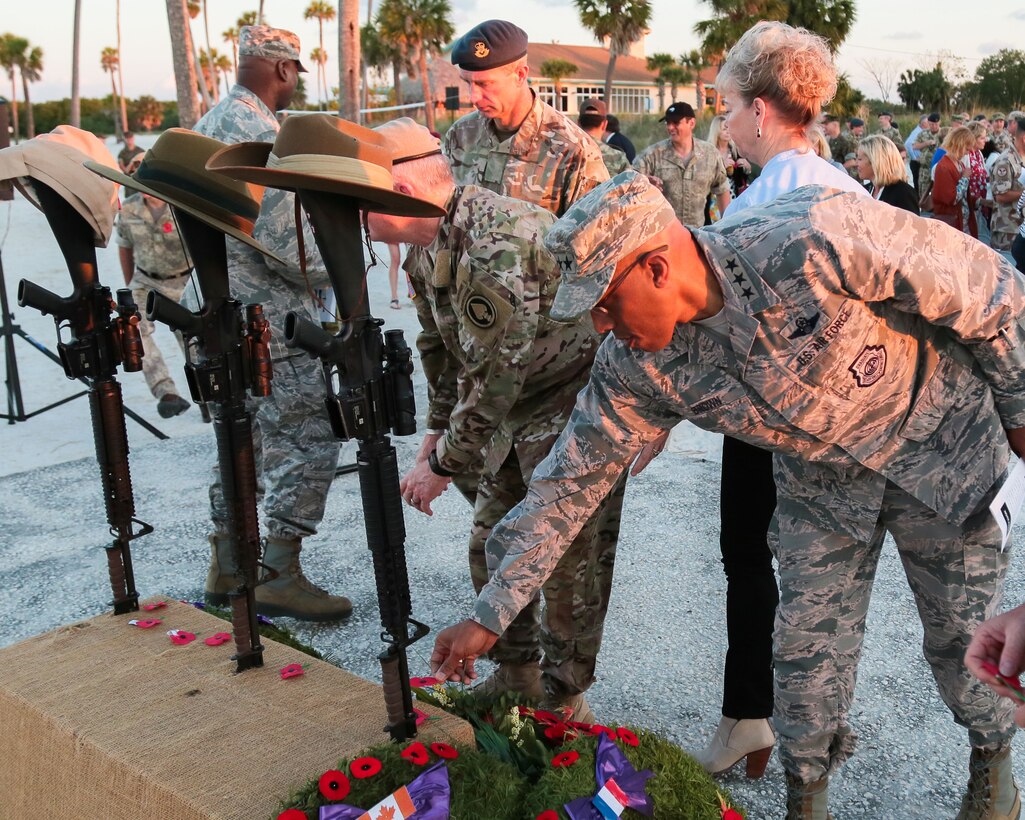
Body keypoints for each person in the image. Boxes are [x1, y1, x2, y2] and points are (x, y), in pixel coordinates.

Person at [429, 171, 1023, 820]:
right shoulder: (636, 365)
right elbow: (567, 484)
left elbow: (994, 293)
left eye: (604, 302)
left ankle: (992, 762)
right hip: (823, 486)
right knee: (803, 657)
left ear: (655, 267)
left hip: (948, 453)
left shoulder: (812, 239)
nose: (601, 326)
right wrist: (491, 613)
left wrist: (1019, 409)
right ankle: (807, 796)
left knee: (961, 644)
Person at [367, 118, 623, 722]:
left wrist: (440, 465)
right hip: (514, 407)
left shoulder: (493, 245)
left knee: (568, 560)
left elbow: (492, 383)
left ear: (399, 197)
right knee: (490, 540)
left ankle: (565, 698)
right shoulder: (428, 244)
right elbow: (440, 349)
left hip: (568, 400)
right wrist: (434, 431)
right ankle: (517, 675)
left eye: (361, 205)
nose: (357, 220)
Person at [686, 21, 869, 782]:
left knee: (754, 564)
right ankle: (802, 723)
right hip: (851, 424)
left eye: (726, 108)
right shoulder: (847, 187)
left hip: (768, 420)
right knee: (826, 581)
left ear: (760, 111)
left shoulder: (758, 206)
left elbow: (719, 331)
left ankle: (753, 718)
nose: (723, 125)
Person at [192, 25, 351, 621]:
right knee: (309, 439)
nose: (293, 90)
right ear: (283, 69)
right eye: (295, 78)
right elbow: (287, 250)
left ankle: (229, 564)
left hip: (215, 316)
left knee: (239, 438)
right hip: (271, 324)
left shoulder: (206, 124)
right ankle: (279, 572)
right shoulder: (263, 137)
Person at [443, 19, 608, 218]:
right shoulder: (460, 135)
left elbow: (594, 242)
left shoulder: (573, 150)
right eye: (467, 82)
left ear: (520, 75)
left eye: (484, 84)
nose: (473, 97)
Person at [114, 167, 194, 418]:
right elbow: (125, 249)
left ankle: (205, 395)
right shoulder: (128, 210)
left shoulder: (181, 206)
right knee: (133, 327)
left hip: (184, 280)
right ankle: (166, 391)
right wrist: (130, 285)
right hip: (146, 281)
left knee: (192, 338)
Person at [633, 101, 730, 226]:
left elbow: (722, 189)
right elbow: (629, 184)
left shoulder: (710, 154)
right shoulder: (652, 155)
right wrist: (645, 182)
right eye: (668, 123)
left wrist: (726, 225)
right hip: (663, 236)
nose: (670, 127)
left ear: (692, 123)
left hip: (697, 235)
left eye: (675, 122)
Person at [856, 135, 920, 214]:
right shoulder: (864, 190)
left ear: (875, 161)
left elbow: (911, 224)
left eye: (859, 159)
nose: (856, 163)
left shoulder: (903, 193)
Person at [991, 116, 1025, 252]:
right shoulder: (1006, 160)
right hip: (1007, 229)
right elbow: (1000, 195)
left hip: (1019, 228)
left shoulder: (1021, 158)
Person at [577, 97, 629, 176]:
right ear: (604, 124)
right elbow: (631, 184)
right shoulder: (618, 157)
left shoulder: (562, 153)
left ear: (578, 123)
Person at [706, 113, 751, 201]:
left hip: (734, 198)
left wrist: (747, 168)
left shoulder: (736, 151)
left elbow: (743, 178)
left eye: (728, 128)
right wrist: (722, 166)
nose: (728, 131)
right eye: (724, 129)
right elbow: (704, 176)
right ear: (716, 131)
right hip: (713, 199)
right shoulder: (708, 152)